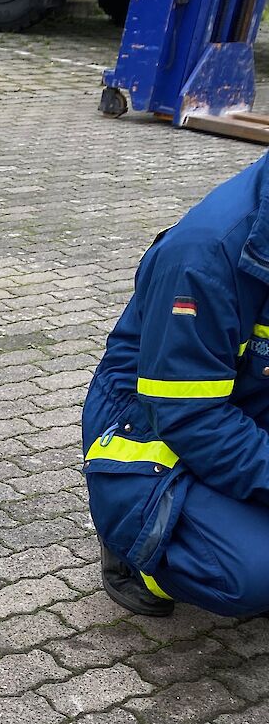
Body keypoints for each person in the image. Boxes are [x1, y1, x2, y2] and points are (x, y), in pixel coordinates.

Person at [83, 153, 269, 619]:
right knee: (255, 571)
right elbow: (193, 419)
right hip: (152, 429)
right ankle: (136, 552)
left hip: (242, 407)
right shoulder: (206, 254)